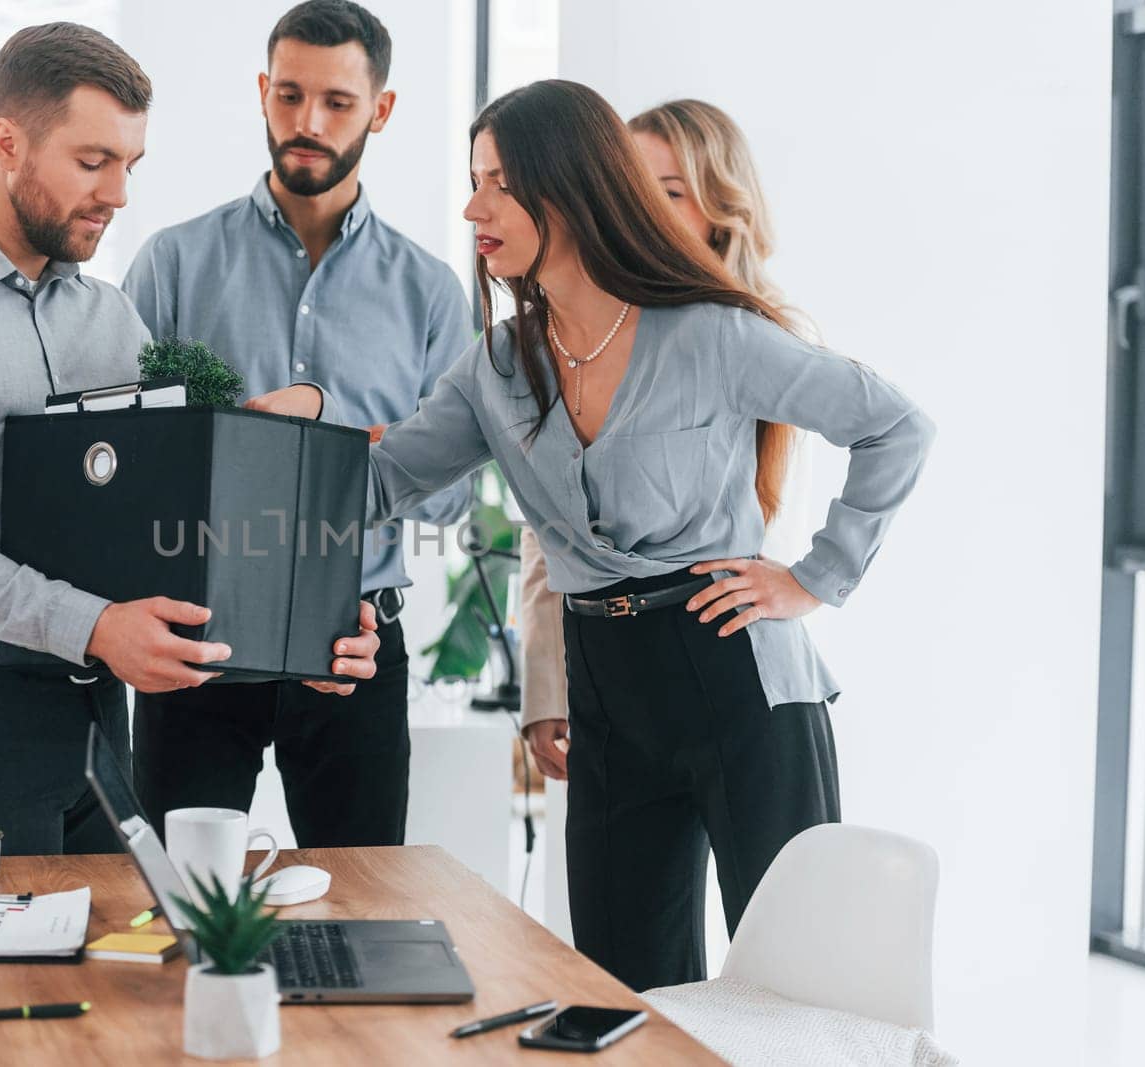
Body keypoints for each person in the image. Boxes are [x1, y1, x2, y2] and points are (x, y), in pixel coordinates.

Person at [265, 79, 935, 991]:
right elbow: (380, 483)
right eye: (474, 180)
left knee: (796, 982)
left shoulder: (712, 335)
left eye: (498, 181)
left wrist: (817, 577)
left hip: (735, 671)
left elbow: (894, 424)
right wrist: (285, 434)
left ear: (570, 188)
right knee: (628, 987)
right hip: (608, 685)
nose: (473, 206)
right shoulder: (496, 369)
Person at [0, 22, 379, 860]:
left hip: (96, 711)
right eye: (92, 162)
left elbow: (164, 506)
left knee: (111, 973)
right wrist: (95, 626)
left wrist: (301, 629)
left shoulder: (109, 316)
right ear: (6, 142)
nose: (117, 194)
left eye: (130, 166)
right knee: (7, 981)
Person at [122, 0, 473, 849]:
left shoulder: (430, 294)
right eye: (288, 96)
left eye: (337, 103)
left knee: (365, 909)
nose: (306, 123)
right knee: (176, 901)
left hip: (355, 649)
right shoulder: (172, 263)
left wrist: (322, 429)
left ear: (380, 111)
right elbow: (127, 461)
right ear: (262, 92)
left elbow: (450, 500)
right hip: (195, 643)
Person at [518, 99, 812, 833]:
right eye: (635, 191)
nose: (644, 212)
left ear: (720, 209)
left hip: (737, 662)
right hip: (619, 675)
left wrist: (810, 582)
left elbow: (792, 517)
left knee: (784, 935)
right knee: (623, 946)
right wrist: (546, 689)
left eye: (671, 193)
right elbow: (552, 527)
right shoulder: (587, 337)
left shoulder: (765, 340)